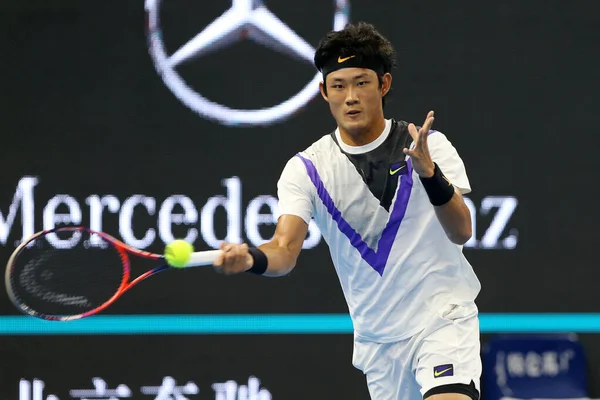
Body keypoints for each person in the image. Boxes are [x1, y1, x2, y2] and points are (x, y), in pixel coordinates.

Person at [213, 22, 482, 400]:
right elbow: (284, 250)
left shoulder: (428, 145)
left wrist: (430, 174)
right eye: (338, 86)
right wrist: (251, 258)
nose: (350, 97)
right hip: (380, 343)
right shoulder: (306, 168)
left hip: (443, 321)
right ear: (324, 92)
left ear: (384, 85)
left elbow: (461, 231)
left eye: (362, 83)